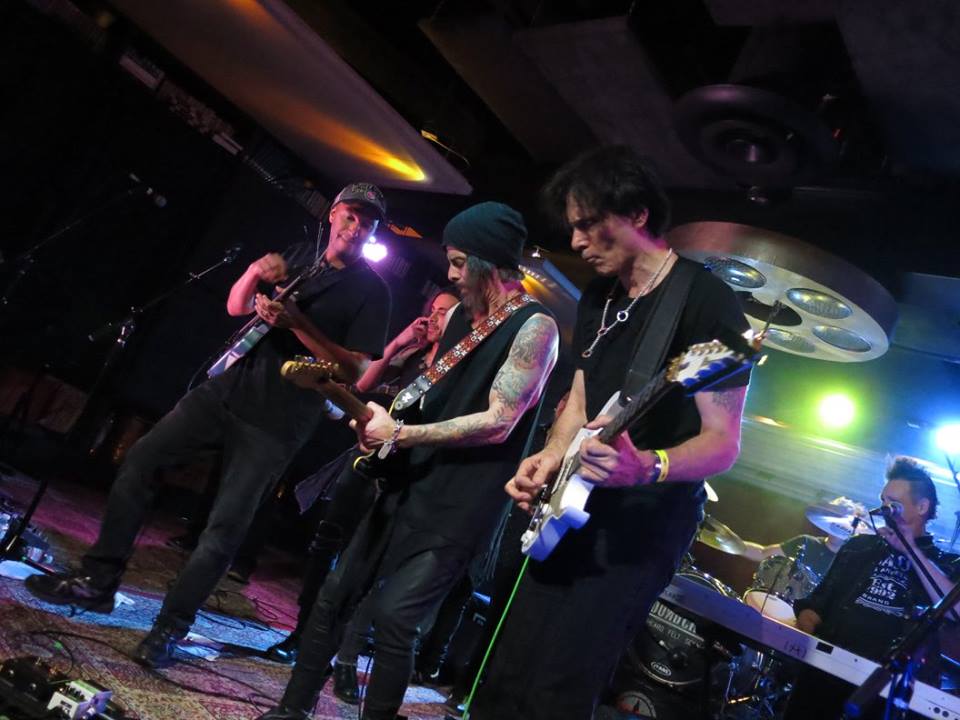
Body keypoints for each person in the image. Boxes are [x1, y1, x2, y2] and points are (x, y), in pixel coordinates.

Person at [24, 183, 392, 668]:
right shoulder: (303, 258)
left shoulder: (373, 291)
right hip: (228, 389)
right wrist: (254, 275)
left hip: (279, 420)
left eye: (367, 223)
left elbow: (355, 370)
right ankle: (98, 580)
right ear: (333, 215)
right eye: (350, 215)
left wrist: (298, 323)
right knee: (142, 459)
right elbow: (236, 307)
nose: (355, 227)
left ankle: (170, 628)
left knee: (225, 527)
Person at [470, 145, 751, 720]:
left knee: (559, 687)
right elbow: (582, 397)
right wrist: (550, 457)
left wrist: (647, 466)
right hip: (569, 507)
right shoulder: (600, 295)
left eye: (588, 225)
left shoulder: (707, 304)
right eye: (572, 228)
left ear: (637, 214)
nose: (576, 242)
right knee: (506, 671)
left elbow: (724, 443)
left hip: (640, 526)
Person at [256, 201, 559, 720]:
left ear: (489, 261)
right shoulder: (460, 317)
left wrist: (401, 433)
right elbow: (431, 396)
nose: (451, 274)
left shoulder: (536, 327)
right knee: (334, 596)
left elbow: (499, 421)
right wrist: (380, 422)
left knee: (396, 621)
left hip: (460, 505)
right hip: (405, 483)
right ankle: (290, 711)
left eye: (459, 262)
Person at [263, 289, 459, 681]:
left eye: (445, 313)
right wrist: (400, 342)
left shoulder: (454, 367)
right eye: (433, 311)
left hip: (403, 475)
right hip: (364, 461)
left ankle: (344, 656)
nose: (434, 318)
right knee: (326, 544)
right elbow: (365, 381)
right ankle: (303, 634)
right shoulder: (414, 357)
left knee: (367, 564)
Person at [783, 457, 960, 720]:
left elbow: (955, 611)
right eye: (883, 501)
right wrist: (804, 647)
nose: (886, 510)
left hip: (886, 691)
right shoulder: (859, 547)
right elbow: (816, 605)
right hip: (825, 673)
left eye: (894, 504)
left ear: (922, 507)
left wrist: (910, 549)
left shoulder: (945, 564)